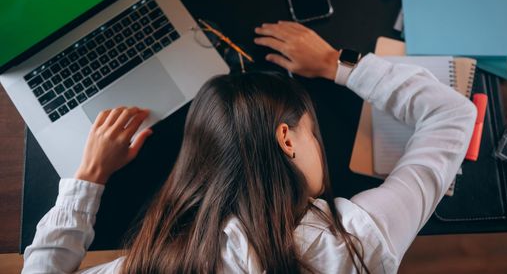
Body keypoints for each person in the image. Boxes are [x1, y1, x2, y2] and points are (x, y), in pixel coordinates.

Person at [22, 22, 477, 273]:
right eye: (311, 132)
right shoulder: (353, 243)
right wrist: (339, 64)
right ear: (286, 139)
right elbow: (452, 115)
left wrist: (86, 179)